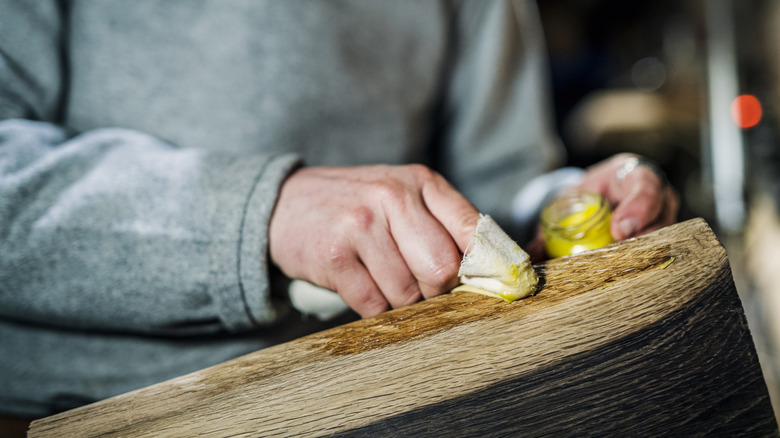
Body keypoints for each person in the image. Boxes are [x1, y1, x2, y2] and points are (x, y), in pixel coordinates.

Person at [0, 0, 678, 420]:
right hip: (89, 414)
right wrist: (262, 211)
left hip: (386, 402)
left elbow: (497, 185)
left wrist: (558, 210)